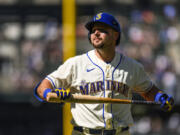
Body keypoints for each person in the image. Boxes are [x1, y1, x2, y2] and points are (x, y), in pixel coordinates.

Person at [34, 12, 174, 135]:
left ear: (115, 35)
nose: (95, 33)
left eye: (102, 30)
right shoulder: (76, 64)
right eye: (93, 30)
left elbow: (149, 90)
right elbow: (42, 87)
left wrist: (160, 97)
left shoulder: (132, 66)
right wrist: (49, 94)